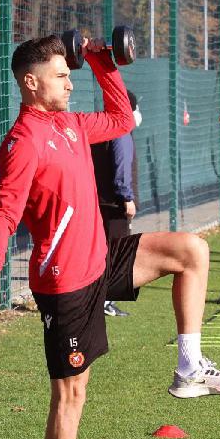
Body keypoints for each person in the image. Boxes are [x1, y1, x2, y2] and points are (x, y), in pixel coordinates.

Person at [0, 34, 220, 439]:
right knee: (71, 394)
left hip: (101, 258)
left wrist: (102, 62)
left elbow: (122, 119)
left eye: (69, 74)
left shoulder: (72, 125)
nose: (69, 84)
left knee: (191, 250)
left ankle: (189, 367)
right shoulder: (23, 141)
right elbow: (5, 212)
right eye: (60, 76)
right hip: (66, 283)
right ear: (30, 82)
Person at [91, 90, 141, 317]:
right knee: (117, 252)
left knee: (102, 251)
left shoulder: (99, 127)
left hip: (98, 199)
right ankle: (105, 300)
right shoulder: (121, 131)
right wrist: (127, 197)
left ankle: (100, 298)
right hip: (114, 203)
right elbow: (122, 165)